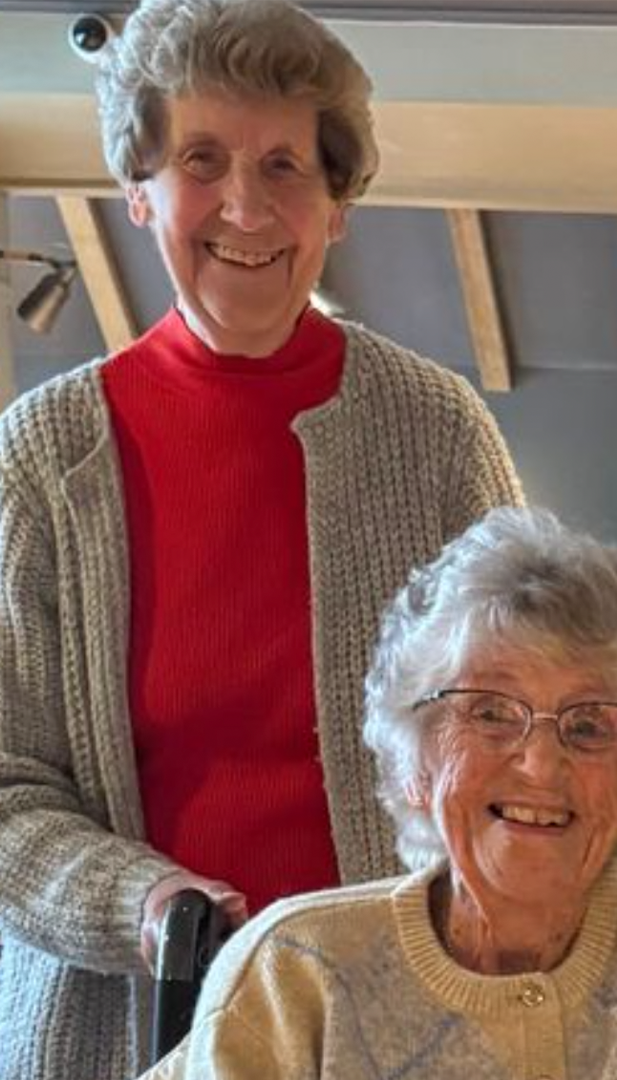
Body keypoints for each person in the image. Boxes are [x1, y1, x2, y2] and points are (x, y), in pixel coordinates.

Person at [0, 2, 521, 1076]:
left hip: (398, 1027)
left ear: (337, 206)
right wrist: (138, 900)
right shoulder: (44, 459)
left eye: (286, 164)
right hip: (125, 1032)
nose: (246, 204)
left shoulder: (435, 431)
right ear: (139, 192)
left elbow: (525, 723)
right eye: (201, 159)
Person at [142, 508, 617, 1078]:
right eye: (491, 712)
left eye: (589, 725)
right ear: (415, 759)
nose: (539, 764)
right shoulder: (296, 979)